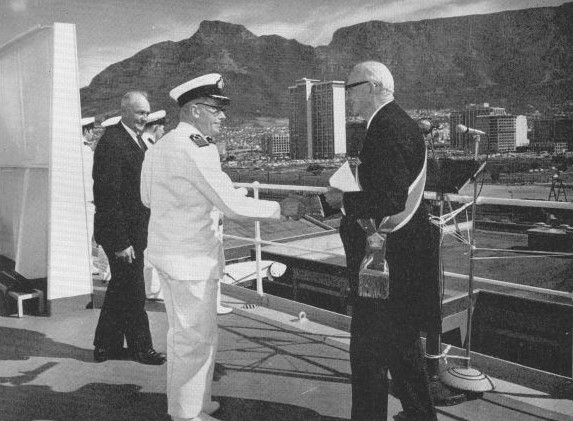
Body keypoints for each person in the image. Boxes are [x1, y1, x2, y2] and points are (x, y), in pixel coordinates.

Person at [141, 73, 305, 421]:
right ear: (195, 110)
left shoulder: (162, 146)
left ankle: (194, 404)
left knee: (185, 336)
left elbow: (147, 198)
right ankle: (187, 415)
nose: (223, 116)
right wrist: (280, 208)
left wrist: (202, 203)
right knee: (194, 340)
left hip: (168, 256)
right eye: (216, 109)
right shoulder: (198, 148)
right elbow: (230, 205)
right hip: (191, 260)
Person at [325, 61, 441, 421]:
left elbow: (390, 198)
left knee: (368, 353)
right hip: (402, 259)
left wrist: (340, 200)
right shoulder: (396, 123)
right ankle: (421, 416)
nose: (348, 97)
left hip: (388, 263)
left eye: (351, 89)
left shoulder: (386, 128)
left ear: (372, 87)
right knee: (400, 346)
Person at [92, 91, 166, 366]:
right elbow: (108, 197)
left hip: (133, 231)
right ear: (124, 111)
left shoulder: (135, 140)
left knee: (122, 287)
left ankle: (106, 346)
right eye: (139, 113)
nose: (144, 118)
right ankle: (141, 348)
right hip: (120, 233)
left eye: (146, 113)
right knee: (133, 290)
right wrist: (121, 242)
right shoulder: (112, 142)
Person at [80, 116, 99, 276]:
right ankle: (87, 265)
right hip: (86, 199)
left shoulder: (78, 148)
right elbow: (91, 177)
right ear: (86, 131)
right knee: (87, 233)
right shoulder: (85, 150)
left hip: (79, 198)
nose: (93, 134)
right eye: (91, 131)